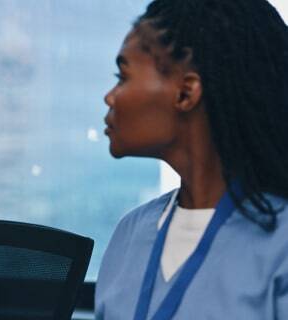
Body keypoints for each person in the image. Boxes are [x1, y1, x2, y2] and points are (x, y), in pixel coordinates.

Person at [95, 0, 288, 318]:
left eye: (123, 76)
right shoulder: (129, 235)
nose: (110, 97)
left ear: (186, 94)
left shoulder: (279, 242)